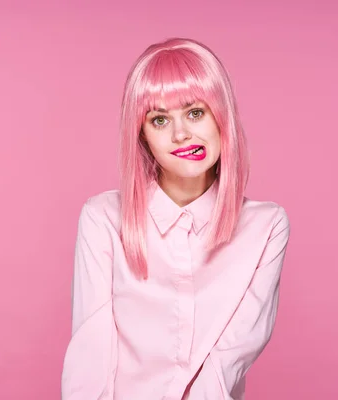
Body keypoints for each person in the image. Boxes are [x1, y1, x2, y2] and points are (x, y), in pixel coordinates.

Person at [61, 37, 291, 400]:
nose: (181, 133)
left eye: (195, 113)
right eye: (159, 119)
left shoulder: (265, 227)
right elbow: (91, 350)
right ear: (143, 137)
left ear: (221, 117)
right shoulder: (103, 219)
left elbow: (233, 353)